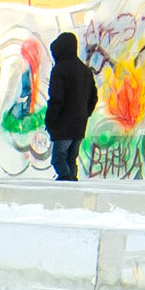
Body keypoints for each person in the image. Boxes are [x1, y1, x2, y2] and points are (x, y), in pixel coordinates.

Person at [43, 32, 97, 182]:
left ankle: (67, 184)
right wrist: (85, 113)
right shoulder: (85, 70)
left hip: (63, 124)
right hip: (80, 125)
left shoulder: (60, 69)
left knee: (58, 159)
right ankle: (73, 188)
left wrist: (50, 121)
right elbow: (94, 97)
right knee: (71, 159)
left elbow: (56, 99)